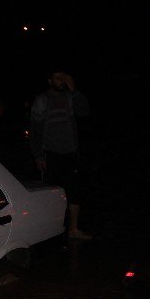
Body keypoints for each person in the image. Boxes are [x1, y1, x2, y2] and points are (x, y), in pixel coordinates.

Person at [29, 68, 92, 240]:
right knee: (51, 194)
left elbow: (84, 111)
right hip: (51, 154)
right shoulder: (42, 100)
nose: (62, 81)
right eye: (58, 78)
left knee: (75, 191)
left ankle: (74, 229)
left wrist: (75, 90)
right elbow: (34, 130)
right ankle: (48, 231)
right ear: (50, 80)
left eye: (64, 78)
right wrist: (38, 155)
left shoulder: (71, 97)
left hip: (70, 153)